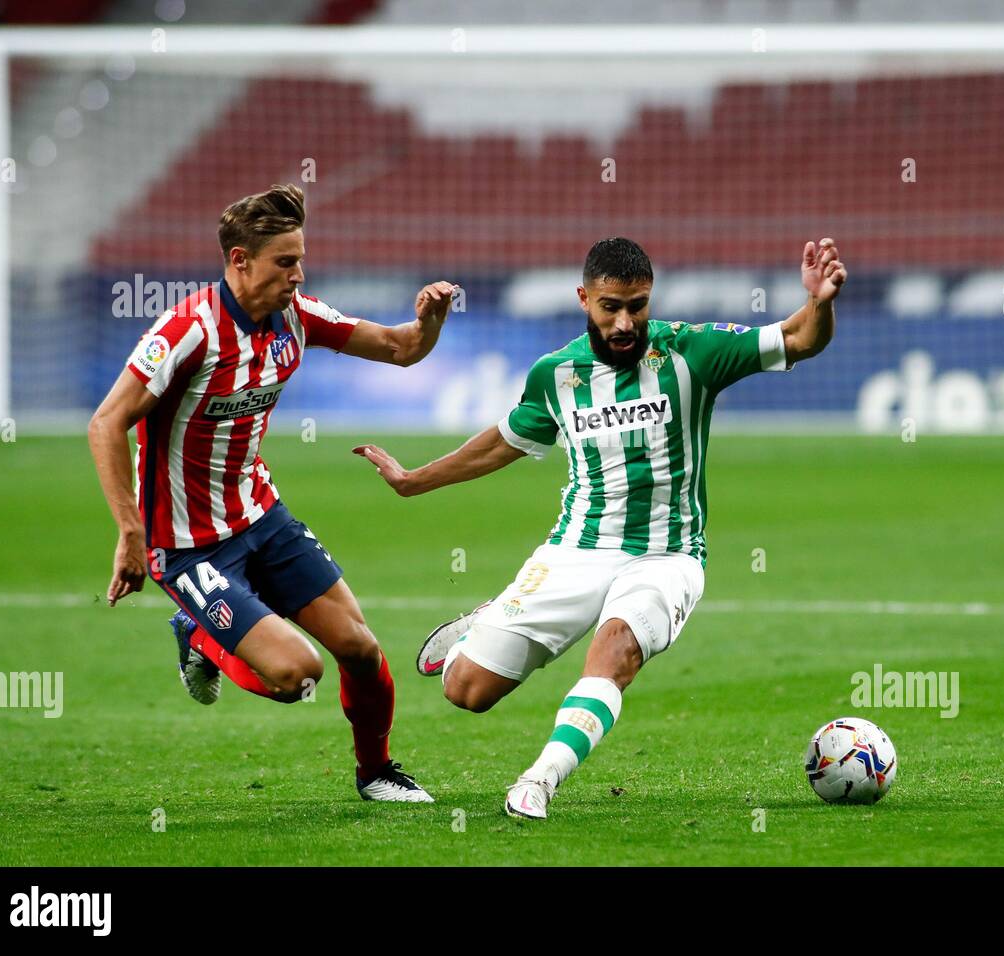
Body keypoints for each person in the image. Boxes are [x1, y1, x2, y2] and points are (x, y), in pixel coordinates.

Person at [353, 235, 845, 818]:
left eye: (637, 305)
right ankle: (484, 622)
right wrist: (415, 480)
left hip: (667, 555)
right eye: (610, 306)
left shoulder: (693, 353)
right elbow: (502, 443)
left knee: (615, 649)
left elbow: (799, 338)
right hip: (575, 550)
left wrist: (819, 303)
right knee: (466, 690)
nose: (624, 321)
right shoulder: (556, 374)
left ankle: (540, 778)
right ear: (584, 298)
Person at [88, 183, 454, 801]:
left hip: (262, 517)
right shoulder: (188, 330)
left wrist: (430, 323)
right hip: (187, 545)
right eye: (285, 262)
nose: (298, 273)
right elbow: (106, 422)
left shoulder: (295, 317)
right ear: (239, 261)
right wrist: (130, 533)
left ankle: (376, 774)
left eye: (300, 259)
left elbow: (400, 348)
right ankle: (197, 632)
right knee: (295, 675)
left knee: (360, 650)